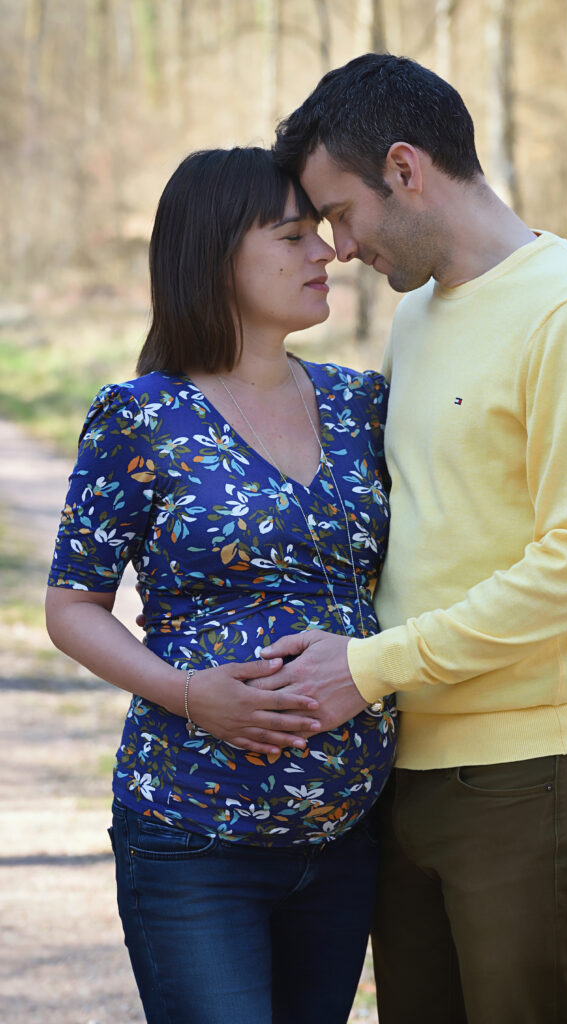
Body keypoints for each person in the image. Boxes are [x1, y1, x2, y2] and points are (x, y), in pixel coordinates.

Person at [253, 54, 567, 1024]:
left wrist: (373, 664)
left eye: (340, 213)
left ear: (404, 168)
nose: (337, 248)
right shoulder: (418, 319)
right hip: (402, 770)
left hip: (526, 781)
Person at [45, 146, 396, 1024]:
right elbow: (71, 609)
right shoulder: (143, 417)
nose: (324, 255)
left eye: (320, 232)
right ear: (215, 255)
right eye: (291, 236)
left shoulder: (363, 404)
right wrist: (191, 695)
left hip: (349, 839)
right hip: (194, 838)